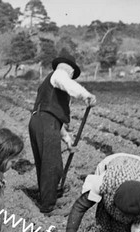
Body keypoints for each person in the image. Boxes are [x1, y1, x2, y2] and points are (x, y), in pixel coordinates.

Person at [28, 55, 97, 215]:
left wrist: (67, 139)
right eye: (73, 74)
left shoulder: (51, 84)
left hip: (41, 121)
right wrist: (85, 95)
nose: (71, 77)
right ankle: (48, 207)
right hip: (45, 122)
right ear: (69, 70)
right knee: (52, 165)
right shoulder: (59, 75)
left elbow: (52, 115)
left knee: (46, 163)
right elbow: (67, 85)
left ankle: (48, 198)